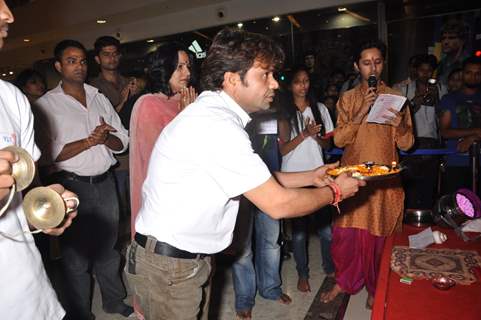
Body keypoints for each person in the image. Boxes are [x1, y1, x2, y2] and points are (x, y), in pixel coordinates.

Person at [125, 28, 365, 320]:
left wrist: (310, 176)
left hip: (179, 262)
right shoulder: (216, 125)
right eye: (265, 75)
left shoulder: (215, 114)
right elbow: (278, 204)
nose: (275, 84)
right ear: (232, 79)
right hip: (170, 267)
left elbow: (253, 179)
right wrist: (335, 192)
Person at [36, 39, 132, 319]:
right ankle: (80, 312)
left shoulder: (98, 96)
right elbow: (47, 154)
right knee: (76, 257)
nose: (79, 66)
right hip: (70, 185)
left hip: (105, 182)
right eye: (71, 61)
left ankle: (113, 301)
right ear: (58, 66)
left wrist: (107, 138)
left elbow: (123, 140)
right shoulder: (47, 105)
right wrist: (90, 141)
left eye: (82, 60)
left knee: (109, 249)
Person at [321, 40, 414, 308]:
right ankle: (345, 280)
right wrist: (362, 111)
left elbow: (407, 144)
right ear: (356, 66)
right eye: (366, 62)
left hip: (384, 181)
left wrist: (400, 125)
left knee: (379, 239)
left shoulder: (396, 99)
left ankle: (377, 286)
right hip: (353, 179)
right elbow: (338, 141)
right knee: (345, 237)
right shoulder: (347, 98)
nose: (372, 67)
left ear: (384, 64)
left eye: (377, 61)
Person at [0, 1, 77, 318]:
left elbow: (23, 197)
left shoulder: (10, 97)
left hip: (28, 296)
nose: (8, 14)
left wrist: (46, 209)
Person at [231, 92, 291, 320]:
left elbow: (283, 143)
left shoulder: (272, 112)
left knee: (272, 242)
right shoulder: (235, 118)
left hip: (270, 183)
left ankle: (270, 289)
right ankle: (244, 299)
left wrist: (279, 113)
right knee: (243, 250)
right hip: (242, 190)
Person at [130, 42, 197, 237]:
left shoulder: (189, 99)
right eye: (179, 67)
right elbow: (158, 160)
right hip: (165, 198)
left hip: (192, 192)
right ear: (163, 68)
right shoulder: (149, 103)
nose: (186, 73)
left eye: (188, 66)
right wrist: (186, 117)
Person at [278, 66, 335, 293]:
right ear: (290, 86)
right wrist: (304, 134)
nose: (303, 86)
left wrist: (317, 137)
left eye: (306, 81)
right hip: (294, 178)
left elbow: (328, 145)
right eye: (298, 82)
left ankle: (329, 268)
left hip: (318, 175)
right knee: (299, 233)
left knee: (326, 231)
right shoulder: (284, 112)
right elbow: (283, 150)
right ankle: (302, 274)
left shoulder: (320, 109)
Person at [90, 35, 140, 229]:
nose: (112, 58)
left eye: (115, 54)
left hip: (136, 153)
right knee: (118, 213)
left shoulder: (131, 82)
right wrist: (122, 100)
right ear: (97, 59)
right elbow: (103, 123)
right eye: (106, 54)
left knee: (138, 208)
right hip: (115, 160)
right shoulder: (92, 88)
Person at [398, 54, 447, 208]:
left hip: (432, 144)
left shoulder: (441, 88)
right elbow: (396, 115)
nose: (425, 74)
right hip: (410, 143)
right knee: (409, 186)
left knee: (429, 186)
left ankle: (426, 217)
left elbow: (445, 116)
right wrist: (414, 103)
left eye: (429, 71)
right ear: (416, 70)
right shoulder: (403, 88)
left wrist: (437, 100)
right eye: (422, 70)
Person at [438, 56, 481, 194]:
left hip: (479, 161)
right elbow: (445, 132)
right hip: (456, 161)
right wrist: (475, 133)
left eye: (477, 73)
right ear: (462, 73)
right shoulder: (449, 99)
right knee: (457, 208)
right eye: (469, 73)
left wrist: (472, 138)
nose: (473, 77)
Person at [437, 21, 470, 86]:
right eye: (443, 38)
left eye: (451, 38)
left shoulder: (469, 64)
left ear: (462, 41)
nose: (445, 42)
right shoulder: (441, 63)